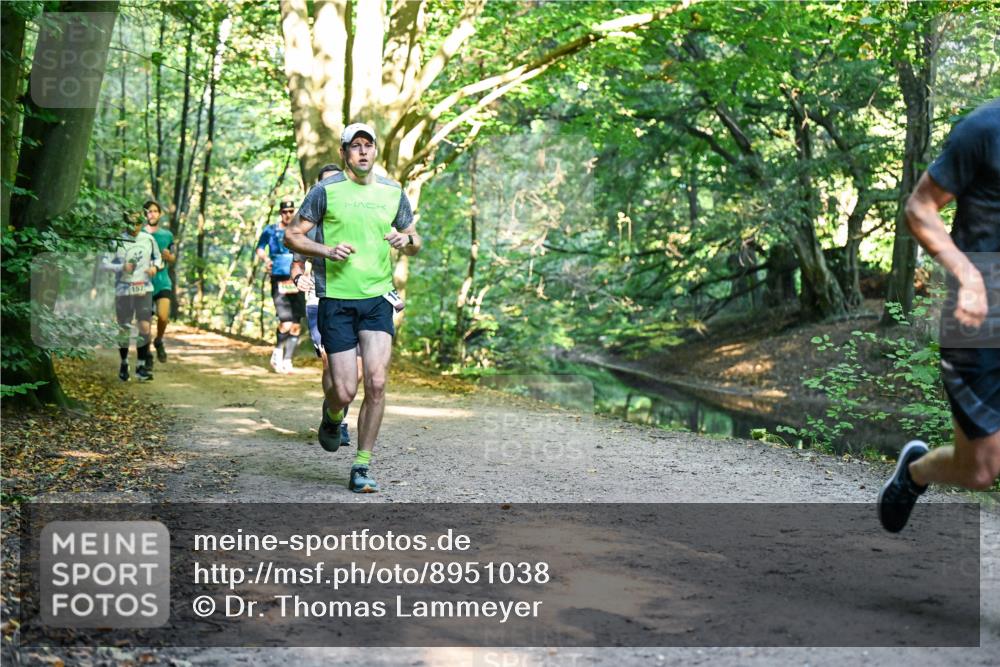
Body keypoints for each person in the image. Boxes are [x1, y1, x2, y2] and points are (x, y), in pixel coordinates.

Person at [878, 98, 1000, 532]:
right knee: (981, 470)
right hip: (979, 317)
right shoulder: (984, 129)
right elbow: (919, 207)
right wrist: (966, 276)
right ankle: (916, 471)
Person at [285, 122, 421, 493]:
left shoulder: (393, 192)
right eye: (355, 146)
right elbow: (292, 235)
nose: (363, 152)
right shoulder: (325, 191)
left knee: (376, 381)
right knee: (344, 390)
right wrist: (326, 251)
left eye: (368, 146)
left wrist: (405, 240)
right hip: (336, 300)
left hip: (378, 299)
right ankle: (331, 416)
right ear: (344, 154)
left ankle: (361, 465)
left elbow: (414, 239)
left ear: (375, 152)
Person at [291, 162, 352, 446]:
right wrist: (297, 280)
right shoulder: (309, 227)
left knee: (355, 370)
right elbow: (296, 264)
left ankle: (336, 412)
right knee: (331, 363)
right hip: (319, 300)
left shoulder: (354, 220)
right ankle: (337, 419)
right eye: (325, 184)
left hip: (353, 300)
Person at [103, 210, 162, 381]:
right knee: (124, 328)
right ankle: (124, 363)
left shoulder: (148, 239)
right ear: (125, 223)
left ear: (142, 223)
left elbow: (158, 259)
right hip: (123, 289)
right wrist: (121, 267)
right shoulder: (117, 241)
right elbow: (104, 263)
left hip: (144, 288)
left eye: (137, 223)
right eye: (130, 223)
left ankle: (141, 366)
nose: (134, 227)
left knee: (144, 327)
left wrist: (154, 268)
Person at [257, 198, 306, 373]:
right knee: (285, 321)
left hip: (298, 279)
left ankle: (288, 360)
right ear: (280, 213)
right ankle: (278, 352)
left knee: (296, 323)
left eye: (291, 211)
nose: (288, 215)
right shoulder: (271, 230)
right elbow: (260, 248)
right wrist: (266, 259)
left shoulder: (300, 230)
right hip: (279, 276)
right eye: (285, 212)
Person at [143, 200, 175, 364]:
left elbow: (173, 256)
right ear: (145, 214)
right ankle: (147, 353)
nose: (152, 214)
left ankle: (159, 340)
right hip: (143, 283)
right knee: (145, 323)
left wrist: (168, 256)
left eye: (155, 211)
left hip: (162, 281)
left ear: (160, 214)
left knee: (163, 316)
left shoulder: (167, 235)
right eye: (149, 211)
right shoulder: (139, 234)